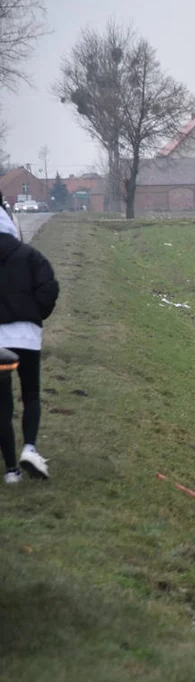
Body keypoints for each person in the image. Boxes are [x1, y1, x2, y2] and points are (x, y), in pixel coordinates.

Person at [0, 190, 59, 483]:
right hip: (26, 337)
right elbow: (49, 287)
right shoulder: (30, 256)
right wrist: (35, 314)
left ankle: (11, 470)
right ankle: (30, 448)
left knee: (2, 403)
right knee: (31, 394)